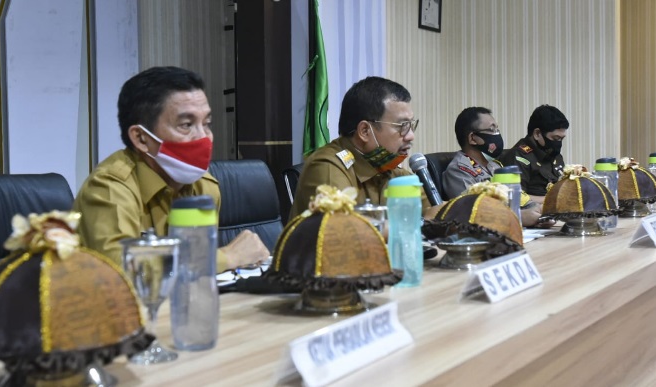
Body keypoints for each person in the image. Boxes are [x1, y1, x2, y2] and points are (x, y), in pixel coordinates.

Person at [73, 66, 269, 272]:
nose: (204, 137)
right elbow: (121, 273)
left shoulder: (205, 187)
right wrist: (226, 257)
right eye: (186, 125)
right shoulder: (109, 189)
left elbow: (196, 273)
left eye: (207, 123)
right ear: (141, 138)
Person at [289, 76, 436, 221]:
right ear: (365, 131)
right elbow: (346, 232)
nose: (410, 136)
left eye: (411, 125)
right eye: (402, 126)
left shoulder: (390, 170)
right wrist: (410, 226)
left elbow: (432, 212)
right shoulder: (327, 166)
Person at [443, 107, 551, 228]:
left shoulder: (495, 166)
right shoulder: (459, 171)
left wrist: (539, 211)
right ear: (473, 138)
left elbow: (518, 198)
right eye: (491, 129)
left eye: (497, 129)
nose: (497, 134)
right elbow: (471, 214)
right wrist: (519, 217)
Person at [499, 104, 569, 203]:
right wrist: (552, 200)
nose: (558, 143)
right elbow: (514, 198)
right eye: (555, 138)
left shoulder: (555, 155)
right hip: (530, 214)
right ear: (537, 134)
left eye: (561, 139)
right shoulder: (518, 157)